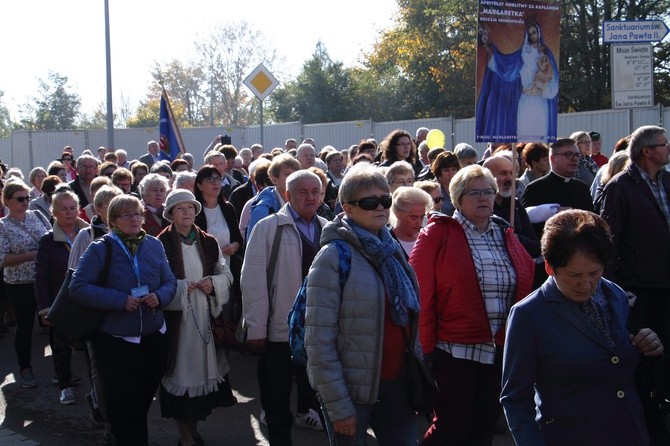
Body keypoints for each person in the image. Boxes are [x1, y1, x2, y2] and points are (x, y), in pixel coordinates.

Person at [501, 210, 662, 445]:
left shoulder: (614, 295)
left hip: (630, 433)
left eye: (594, 273)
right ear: (550, 267)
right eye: (574, 275)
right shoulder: (528, 315)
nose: (586, 284)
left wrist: (648, 347)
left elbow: (618, 363)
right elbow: (515, 400)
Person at [409, 164, 535, 445]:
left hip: (497, 351)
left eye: (488, 191)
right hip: (454, 350)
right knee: (451, 429)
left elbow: (526, 281)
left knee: (482, 428)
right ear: (457, 198)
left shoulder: (505, 234)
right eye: (474, 192)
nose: (483, 198)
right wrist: (425, 349)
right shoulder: (437, 234)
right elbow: (420, 296)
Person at [305, 163, 422, 445]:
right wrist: (339, 406)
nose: (380, 207)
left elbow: (410, 317)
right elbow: (318, 341)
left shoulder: (391, 250)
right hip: (352, 392)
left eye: (385, 200)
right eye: (369, 202)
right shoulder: (333, 256)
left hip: (396, 386)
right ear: (348, 208)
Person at [69, 194, 176, 446]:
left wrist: (159, 296)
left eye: (138, 213)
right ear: (113, 220)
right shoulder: (101, 247)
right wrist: (119, 300)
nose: (134, 219)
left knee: (140, 399)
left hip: (152, 334)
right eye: (127, 215)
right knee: (122, 403)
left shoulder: (154, 244)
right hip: (117, 340)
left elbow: (170, 281)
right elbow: (78, 286)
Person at [241, 170, 328, 445]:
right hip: (279, 328)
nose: (311, 197)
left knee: (319, 392)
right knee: (277, 396)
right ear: (288, 195)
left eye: (316, 191)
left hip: (320, 328)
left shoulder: (329, 227)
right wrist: (256, 326)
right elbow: (252, 280)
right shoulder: (268, 227)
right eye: (303, 192)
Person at [600, 125, 670, 443]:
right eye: (663, 144)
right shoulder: (620, 187)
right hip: (638, 289)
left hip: (665, 284)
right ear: (647, 151)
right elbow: (609, 242)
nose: (667, 148)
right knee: (646, 360)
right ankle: (648, 424)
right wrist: (617, 291)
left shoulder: (667, 181)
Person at [157, 190, 236, 446]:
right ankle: (186, 437)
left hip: (204, 320)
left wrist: (213, 283)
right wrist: (180, 288)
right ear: (170, 214)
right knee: (180, 378)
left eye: (191, 207)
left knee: (202, 383)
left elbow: (226, 275)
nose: (187, 212)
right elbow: (154, 283)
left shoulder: (209, 242)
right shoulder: (160, 244)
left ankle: (192, 431)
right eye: (180, 209)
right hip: (177, 325)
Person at [35, 188, 89, 405]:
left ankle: (98, 389)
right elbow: (41, 278)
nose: (69, 212)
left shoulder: (90, 233)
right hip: (61, 301)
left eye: (73, 208)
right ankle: (64, 385)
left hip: (88, 300)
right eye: (63, 209)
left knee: (90, 347)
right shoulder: (47, 240)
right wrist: (45, 308)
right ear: (54, 212)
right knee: (61, 346)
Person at [0, 180, 53, 389]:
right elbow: (3, 259)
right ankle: (25, 368)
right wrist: (36, 254)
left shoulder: (37, 216)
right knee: (25, 325)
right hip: (19, 283)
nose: (25, 202)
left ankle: (61, 371)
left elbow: (51, 238)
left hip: (44, 279)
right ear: (7, 201)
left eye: (27, 198)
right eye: (20, 199)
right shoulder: (2, 226)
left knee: (53, 322)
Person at [476, 21, 558, 142]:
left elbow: (554, 77)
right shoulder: (523, 54)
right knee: (524, 134)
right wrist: (492, 52)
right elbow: (507, 68)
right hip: (525, 99)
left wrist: (544, 88)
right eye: (530, 34)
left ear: (539, 33)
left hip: (540, 101)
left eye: (534, 32)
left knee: (540, 134)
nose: (532, 36)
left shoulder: (546, 53)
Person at [193, 166, 243, 323]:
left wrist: (234, 246)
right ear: (199, 185)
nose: (215, 183)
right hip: (204, 272)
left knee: (228, 316)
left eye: (218, 179)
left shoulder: (227, 208)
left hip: (228, 269)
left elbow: (238, 238)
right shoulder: (194, 211)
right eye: (209, 179)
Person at [483, 155, 541, 259]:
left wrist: (516, 238)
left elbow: (536, 248)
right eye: (503, 173)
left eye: (511, 173)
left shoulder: (515, 205)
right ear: (488, 177)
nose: (509, 178)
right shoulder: (481, 206)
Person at [246, 153, 301, 240]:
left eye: (295, 174)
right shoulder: (263, 209)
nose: (292, 177)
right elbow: (254, 247)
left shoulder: (301, 203)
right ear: (274, 179)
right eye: (287, 174)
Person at [389, 186, 432, 258]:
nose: (418, 222)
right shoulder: (387, 241)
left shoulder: (427, 238)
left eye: (422, 217)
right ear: (398, 214)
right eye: (414, 218)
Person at [432, 151, 461, 216]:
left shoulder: (462, 186)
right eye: (446, 170)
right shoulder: (433, 189)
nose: (451, 174)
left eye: (453, 169)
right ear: (439, 171)